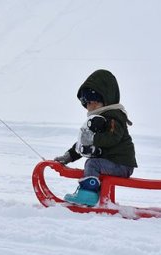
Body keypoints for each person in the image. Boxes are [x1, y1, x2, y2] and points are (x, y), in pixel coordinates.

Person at [53, 69, 138, 206]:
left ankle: (88, 195)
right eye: (86, 102)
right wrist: (68, 156)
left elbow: (112, 138)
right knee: (94, 162)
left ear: (105, 100)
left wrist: (93, 139)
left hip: (122, 164)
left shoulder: (114, 116)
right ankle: (91, 192)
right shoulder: (97, 119)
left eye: (93, 102)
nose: (89, 106)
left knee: (93, 164)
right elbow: (84, 142)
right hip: (111, 162)